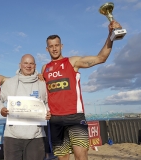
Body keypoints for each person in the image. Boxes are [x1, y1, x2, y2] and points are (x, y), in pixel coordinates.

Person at [41, 20, 122, 160]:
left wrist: (111, 35)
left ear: (61, 46)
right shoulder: (44, 69)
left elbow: (100, 58)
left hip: (75, 117)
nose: (54, 49)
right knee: (62, 157)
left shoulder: (72, 62)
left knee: (81, 155)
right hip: (55, 120)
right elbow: (42, 93)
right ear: (47, 49)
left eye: (57, 45)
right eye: (51, 46)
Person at [0, 54, 51, 160]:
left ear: (35, 65)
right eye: (25, 63)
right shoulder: (9, 83)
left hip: (36, 136)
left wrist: (48, 111)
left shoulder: (42, 83)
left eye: (31, 63)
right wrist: (1, 110)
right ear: (20, 65)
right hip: (12, 137)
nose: (28, 66)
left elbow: (47, 102)